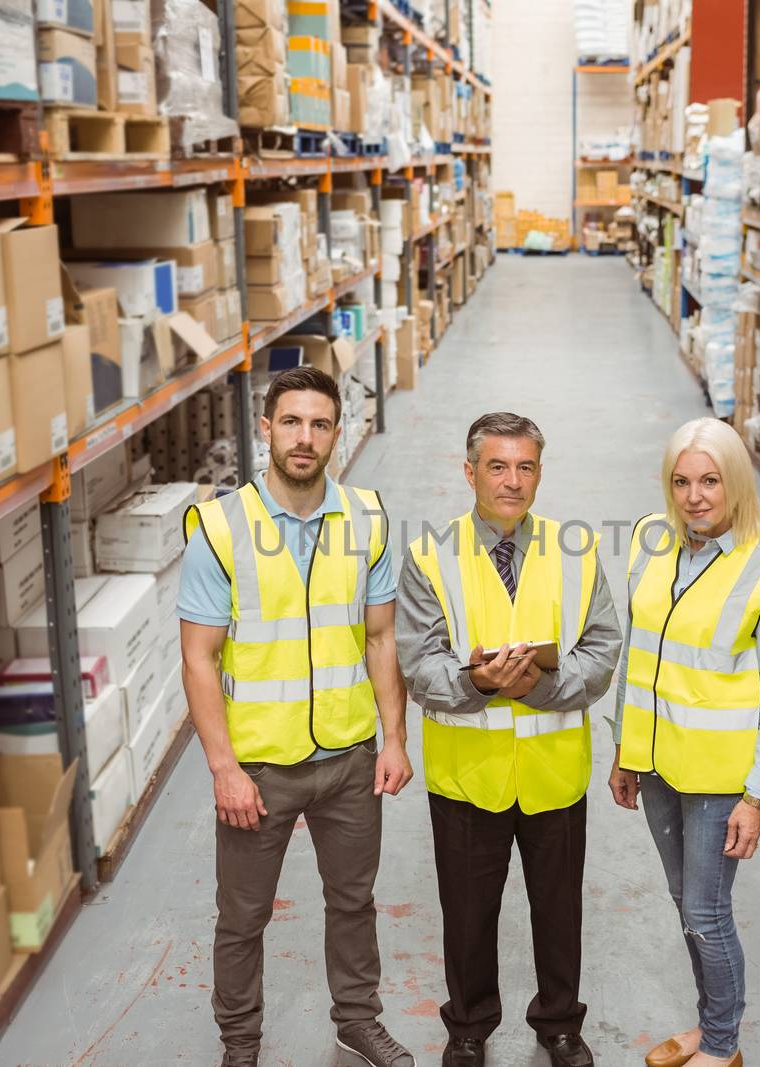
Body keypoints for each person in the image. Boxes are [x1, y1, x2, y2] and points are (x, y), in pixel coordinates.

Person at [179, 366, 417, 1067]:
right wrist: (224, 768)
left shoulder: (366, 517)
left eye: (318, 423)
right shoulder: (220, 529)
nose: (304, 437)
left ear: (337, 433)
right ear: (266, 428)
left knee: (353, 901)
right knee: (244, 917)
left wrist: (394, 738)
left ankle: (357, 1020)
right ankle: (241, 1043)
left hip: (348, 757)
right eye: (290, 421)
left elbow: (379, 638)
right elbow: (198, 658)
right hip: (258, 766)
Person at [397, 412, 622, 1067]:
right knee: (467, 914)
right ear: (469, 472)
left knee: (559, 911)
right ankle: (467, 1025)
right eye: (497, 466)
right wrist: (482, 683)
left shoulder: (575, 550)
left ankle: (559, 1022)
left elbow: (603, 648)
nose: (512, 480)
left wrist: (539, 688)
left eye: (525, 466)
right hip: (469, 773)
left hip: (553, 769)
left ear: (540, 473)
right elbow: (420, 661)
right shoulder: (430, 555)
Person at [608, 418, 760, 1067]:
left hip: (722, 777)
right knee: (685, 903)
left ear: (736, 483)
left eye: (710, 480)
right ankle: (708, 1022)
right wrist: (624, 750)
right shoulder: (649, 540)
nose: (694, 496)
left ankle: (722, 1045)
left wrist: (759, 795)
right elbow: (639, 652)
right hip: (658, 763)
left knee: (706, 909)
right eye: (682, 481)